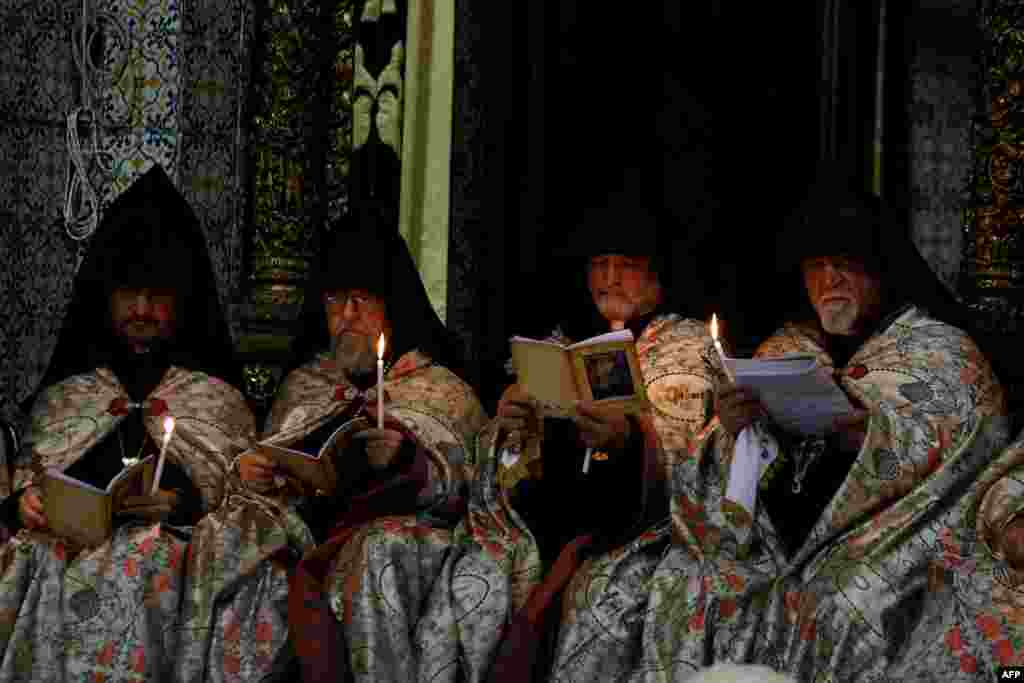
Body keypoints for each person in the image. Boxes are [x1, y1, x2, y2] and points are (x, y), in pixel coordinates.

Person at [611, 168, 1010, 681]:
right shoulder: (788, 348)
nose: (829, 281)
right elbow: (713, 492)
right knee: (691, 583)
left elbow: (963, 459)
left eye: (845, 265)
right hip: (785, 537)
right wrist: (736, 433)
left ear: (881, 271)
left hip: (901, 537)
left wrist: (862, 437)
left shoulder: (941, 351)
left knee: (839, 603)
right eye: (816, 267)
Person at [410, 185, 722, 682]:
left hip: (634, 534)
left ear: (657, 271)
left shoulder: (687, 346)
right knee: (471, 586)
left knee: (599, 603)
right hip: (543, 524)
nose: (610, 279)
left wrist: (627, 441)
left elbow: (688, 457)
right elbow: (501, 471)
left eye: (626, 264)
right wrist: (515, 429)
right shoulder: (559, 345)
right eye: (600, 264)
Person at [183, 212, 487, 681]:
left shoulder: (440, 389)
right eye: (334, 300)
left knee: (374, 555)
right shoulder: (307, 384)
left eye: (361, 300)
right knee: (227, 539)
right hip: (309, 540)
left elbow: (475, 487)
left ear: (393, 307)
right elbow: (271, 466)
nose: (346, 316)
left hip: (402, 542)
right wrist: (257, 475)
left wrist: (407, 460)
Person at [0, 164, 254, 681]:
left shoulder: (216, 400)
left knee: (143, 562)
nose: (142, 310)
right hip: (64, 552)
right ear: (104, 298)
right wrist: (25, 500)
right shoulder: (69, 395)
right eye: (128, 295)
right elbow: (29, 473)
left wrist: (186, 503)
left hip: (171, 555)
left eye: (158, 297)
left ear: (183, 303)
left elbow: (253, 500)